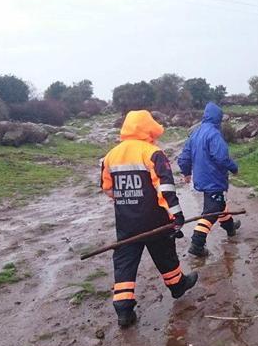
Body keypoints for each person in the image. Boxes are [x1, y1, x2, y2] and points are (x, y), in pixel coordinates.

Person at [100, 110, 198, 328]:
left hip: (126, 222)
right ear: (148, 127)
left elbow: (107, 188)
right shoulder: (153, 153)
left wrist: (128, 202)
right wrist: (176, 215)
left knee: (125, 260)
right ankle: (177, 286)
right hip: (154, 220)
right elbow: (165, 188)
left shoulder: (111, 155)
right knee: (164, 253)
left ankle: (124, 309)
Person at [178, 102, 240, 257]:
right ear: (218, 118)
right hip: (214, 179)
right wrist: (233, 167)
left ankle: (230, 227)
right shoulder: (214, 134)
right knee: (212, 211)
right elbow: (221, 157)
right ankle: (197, 243)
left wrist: (186, 173)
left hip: (202, 179)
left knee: (219, 204)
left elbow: (184, 157)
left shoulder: (195, 133)